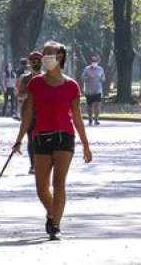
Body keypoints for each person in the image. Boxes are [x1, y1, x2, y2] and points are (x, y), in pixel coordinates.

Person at [14, 41, 92, 240]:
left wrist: (85, 144)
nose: (46, 56)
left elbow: (76, 116)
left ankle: (55, 224)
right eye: (45, 53)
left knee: (59, 183)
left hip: (64, 137)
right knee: (41, 188)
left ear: (60, 57)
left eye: (51, 53)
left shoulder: (71, 85)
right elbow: (29, 114)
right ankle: (52, 212)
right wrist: (19, 139)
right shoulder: (36, 83)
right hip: (41, 138)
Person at [16, 51, 42, 174]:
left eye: (38, 62)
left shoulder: (46, 78)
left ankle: (42, 163)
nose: (36, 64)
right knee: (31, 139)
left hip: (43, 113)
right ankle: (33, 165)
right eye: (33, 62)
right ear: (30, 63)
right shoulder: (24, 78)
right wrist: (30, 95)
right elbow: (20, 96)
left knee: (41, 140)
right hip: (28, 114)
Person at [80, 54, 105, 125]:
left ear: (98, 61)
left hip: (98, 90)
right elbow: (82, 78)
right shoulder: (86, 69)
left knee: (97, 105)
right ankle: (90, 118)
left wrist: (102, 78)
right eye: (93, 61)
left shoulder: (100, 69)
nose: (94, 62)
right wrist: (88, 78)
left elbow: (103, 77)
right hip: (89, 91)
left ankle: (96, 119)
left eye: (95, 61)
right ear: (90, 61)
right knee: (89, 106)